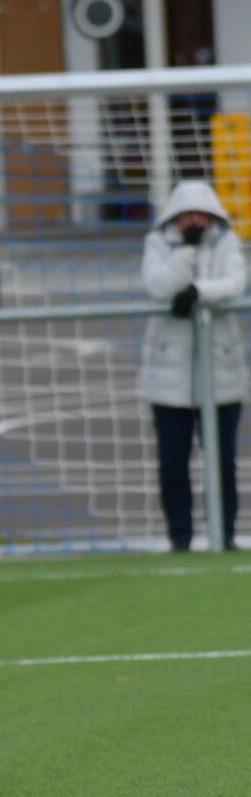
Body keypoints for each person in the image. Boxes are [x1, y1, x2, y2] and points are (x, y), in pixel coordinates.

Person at [139, 180, 247, 551]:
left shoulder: (226, 241)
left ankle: (224, 534)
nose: (196, 221)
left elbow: (235, 282)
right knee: (173, 459)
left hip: (221, 371)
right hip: (169, 374)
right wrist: (185, 254)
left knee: (222, 459)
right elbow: (158, 285)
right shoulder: (158, 244)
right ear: (176, 217)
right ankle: (180, 536)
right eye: (188, 215)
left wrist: (200, 293)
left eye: (202, 215)